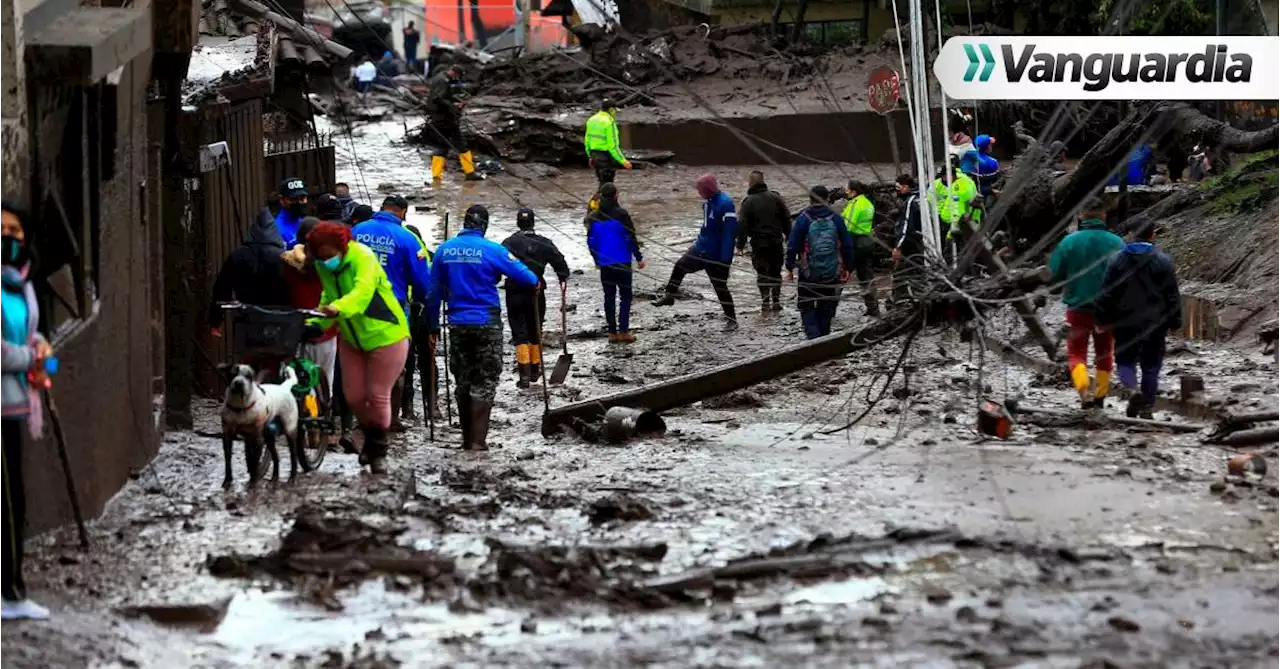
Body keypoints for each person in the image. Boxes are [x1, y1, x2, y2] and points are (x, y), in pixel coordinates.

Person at [425, 205, 538, 451]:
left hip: (457, 323)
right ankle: (478, 442)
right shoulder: (493, 250)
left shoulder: (444, 250)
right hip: (486, 322)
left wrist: (432, 326)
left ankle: (467, 439)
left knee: (462, 380)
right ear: (484, 225)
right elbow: (529, 278)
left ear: (465, 223)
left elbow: (432, 293)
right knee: (485, 381)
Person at [307, 222, 411, 474]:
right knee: (353, 396)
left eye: (329, 254)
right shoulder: (323, 266)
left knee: (377, 395)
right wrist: (315, 321)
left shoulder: (363, 257)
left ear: (342, 247)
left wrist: (338, 309)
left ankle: (378, 451)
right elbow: (327, 298)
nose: (325, 260)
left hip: (387, 336)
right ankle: (370, 439)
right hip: (352, 338)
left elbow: (362, 293)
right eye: (320, 256)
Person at [0, 203, 52, 620]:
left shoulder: (23, 283)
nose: (9, 237)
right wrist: (30, 359)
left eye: (15, 229)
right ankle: (10, 595)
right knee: (7, 500)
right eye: (0, 229)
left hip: (17, 403)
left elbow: (37, 339)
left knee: (13, 497)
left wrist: (43, 355)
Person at [352, 196, 432, 431]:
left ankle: (358, 419)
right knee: (394, 365)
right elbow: (421, 282)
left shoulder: (358, 230)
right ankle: (390, 419)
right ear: (403, 212)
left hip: (357, 304)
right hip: (392, 309)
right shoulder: (408, 239)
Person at [1095, 222, 1182, 419]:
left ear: (1132, 235)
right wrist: (1175, 321)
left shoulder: (1117, 260)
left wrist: (1101, 319)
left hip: (1124, 321)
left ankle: (1132, 390)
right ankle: (1147, 407)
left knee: (1125, 361)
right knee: (1151, 365)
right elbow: (1172, 295)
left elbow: (1106, 292)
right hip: (1155, 322)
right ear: (1153, 235)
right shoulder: (1163, 261)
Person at [1048, 199, 1124, 409]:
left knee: (1076, 353)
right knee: (1104, 353)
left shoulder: (1069, 242)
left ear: (1081, 216)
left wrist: (1053, 289)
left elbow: (1053, 275)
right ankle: (1100, 395)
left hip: (1078, 308)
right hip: (1107, 310)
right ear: (1104, 216)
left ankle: (1084, 390)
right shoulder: (1117, 243)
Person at [651, 174, 739, 330]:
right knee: (679, 266)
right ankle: (669, 295)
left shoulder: (725, 205)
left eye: (700, 190)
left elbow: (729, 234)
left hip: (715, 255)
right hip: (700, 248)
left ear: (708, 189)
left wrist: (725, 259)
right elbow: (706, 228)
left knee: (720, 287)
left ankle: (731, 319)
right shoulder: (707, 202)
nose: (698, 193)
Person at [502, 208, 570, 387]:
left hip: (514, 292)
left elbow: (497, 265)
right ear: (533, 223)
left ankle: (524, 375)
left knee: (519, 332)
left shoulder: (508, 243)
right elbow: (560, 262)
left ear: (518, 223)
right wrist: (563, 277)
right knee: (535, 329)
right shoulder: (544, 243)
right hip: (536, 292)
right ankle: (535, 369)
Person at [208, 207, 292, 349]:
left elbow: (222, 288)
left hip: (247, 319)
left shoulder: (238, 255)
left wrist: (216, 321)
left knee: (249, 356)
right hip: (279, 320)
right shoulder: (284, 258)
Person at [787, 186, 856, 339]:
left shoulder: (803, 219)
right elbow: (847, 244)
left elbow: (792, 245)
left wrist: (789, 266)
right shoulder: (836, 218)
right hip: (832, 272)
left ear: (810, 200)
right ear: (827, 199)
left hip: (808, 273)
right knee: (827, 307)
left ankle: (813, 338)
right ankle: (824, 337)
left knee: (807, 307)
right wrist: (849, 267)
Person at [586, 183, 645, 343]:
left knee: (609, 297)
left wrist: (596, 260)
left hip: (605, 264)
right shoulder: (622, 214)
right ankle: (624, 331)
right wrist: (639, 258)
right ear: (616, 196)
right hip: (623, 262)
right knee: (625, 297)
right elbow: (631, 237)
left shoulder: (594, 217)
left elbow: (591, 242)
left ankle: (612, 333)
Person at [735, 170, 791, 313]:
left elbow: (742, 225)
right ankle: (776, 302)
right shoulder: (776, 198)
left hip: (759, 245)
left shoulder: (748, 202)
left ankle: (765, 303)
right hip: (776, 242)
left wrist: (740, 244)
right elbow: (786, 218)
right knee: (776, 272)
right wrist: (789, 236)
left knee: (762, 273)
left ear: (751, 183)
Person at [426, 65, 482, 182]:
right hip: (445, 119)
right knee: (458, 144)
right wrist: (454, 105)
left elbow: (443, 96)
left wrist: (455, 100)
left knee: (443, 146)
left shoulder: (440, 77)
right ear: (454, 72)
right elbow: (437, 98)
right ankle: (469, 173)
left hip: (440, 118)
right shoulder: (443, 80)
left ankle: (436, 176)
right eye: (457, 76)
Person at [840, 179, 879, 316]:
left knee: (842, 274)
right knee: (867, 277)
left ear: (854, 192)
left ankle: (828, 307)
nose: (845, 192)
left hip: (854, 242)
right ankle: (873, 307)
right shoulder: (867, 203)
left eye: (847, 190)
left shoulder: (856, 204)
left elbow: (848, 226)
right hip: (867, 241)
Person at [890, 174, 924, 305]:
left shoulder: (910, 202)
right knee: (918, 272)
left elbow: (906, 225)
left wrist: (898, 247)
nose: (898, 191)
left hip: (909, 245)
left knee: (900, 274)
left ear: (906, 186)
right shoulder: (922, 198)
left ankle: (897, 302)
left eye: (899, 187)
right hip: (921, 243)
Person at [583, 98, 631, 186]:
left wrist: (590, 156)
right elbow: (612, 146)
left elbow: (587, 141)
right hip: (605, 157)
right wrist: (623, 161)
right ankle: (600, 199)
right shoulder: (609, 122)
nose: (615, 112)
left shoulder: (591, 119)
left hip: (595, 156)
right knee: (607, 186)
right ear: (611, 109)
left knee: (602, 183)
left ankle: (598, 199)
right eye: (615, 110)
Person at [275, 177, 309, 246]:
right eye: (294, 199)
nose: (299, 202)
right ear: (282, 200)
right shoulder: (276, 229)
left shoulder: (306, 222)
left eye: (302, 198)